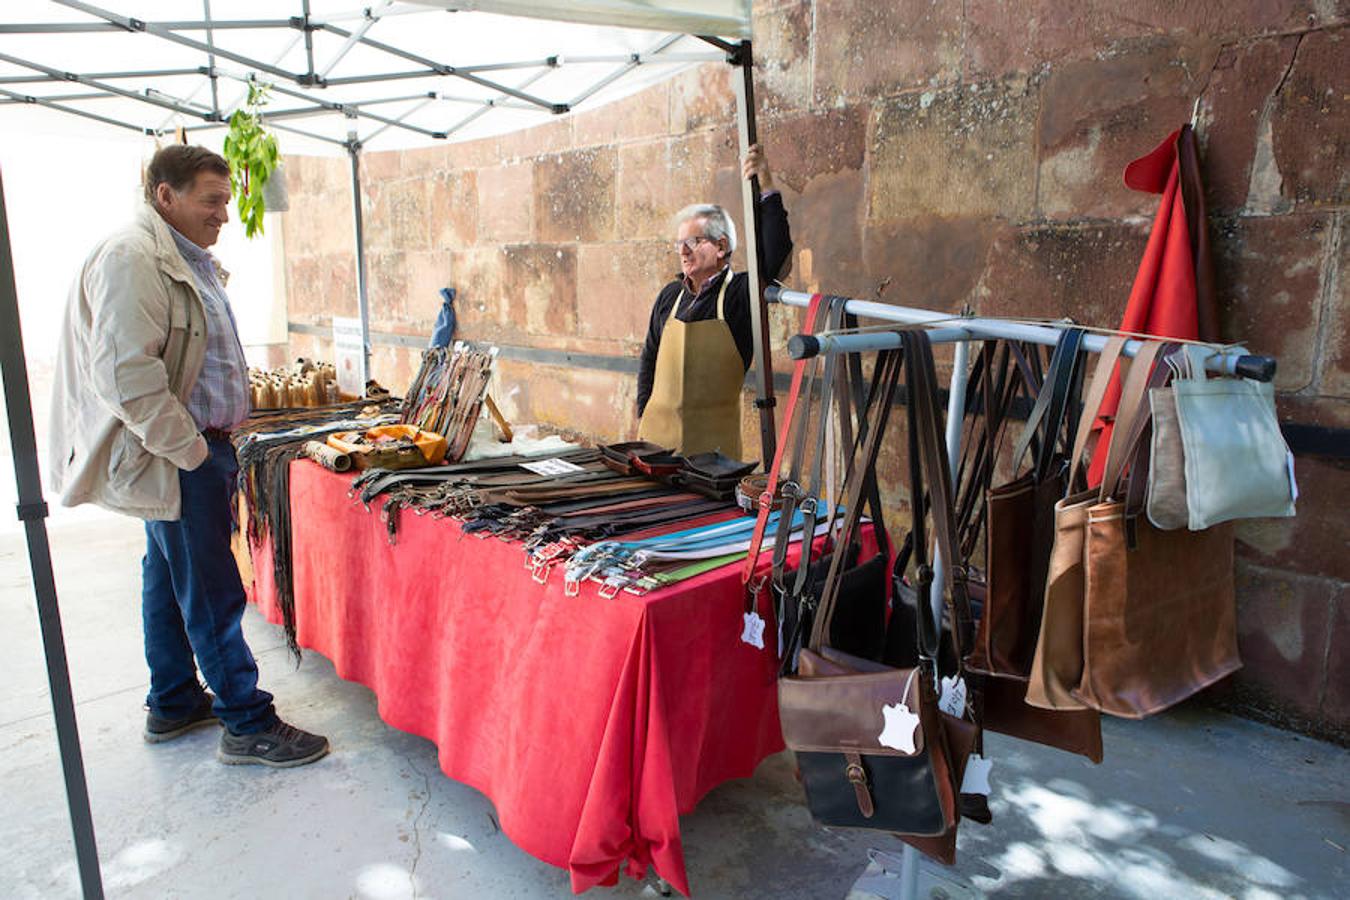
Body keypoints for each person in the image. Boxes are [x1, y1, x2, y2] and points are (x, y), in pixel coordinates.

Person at [48, 144, 329, 768]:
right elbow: (123, 375)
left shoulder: (183, 257)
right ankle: (245, 719)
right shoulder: (133, 258)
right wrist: (193, 452)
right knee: (211, 589)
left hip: (194, 449)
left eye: (226, 201)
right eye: (211, 200)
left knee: (167, 579)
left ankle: (174, 701)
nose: (224, 214)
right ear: (164, 195)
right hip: (181, 454)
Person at [636, 144, 793, 460]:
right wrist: (643, 414)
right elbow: (649, 357)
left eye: (692, 242)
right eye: (679, 243)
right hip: (656, 444)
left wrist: (767, 186)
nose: (683, 251)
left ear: (721, 246)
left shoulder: (739, 295)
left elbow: (774, 258)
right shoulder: (670, 295)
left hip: (712, 455)